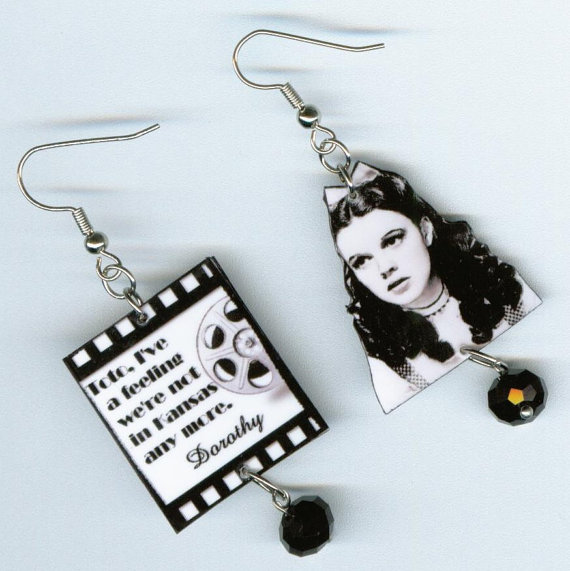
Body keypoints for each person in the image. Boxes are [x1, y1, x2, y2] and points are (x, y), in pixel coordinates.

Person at [325, 162, 541, 413]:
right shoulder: (391, 362)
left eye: (392, 240)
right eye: (361, 261)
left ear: (425, 230)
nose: (384, 268)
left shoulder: (508, 297)